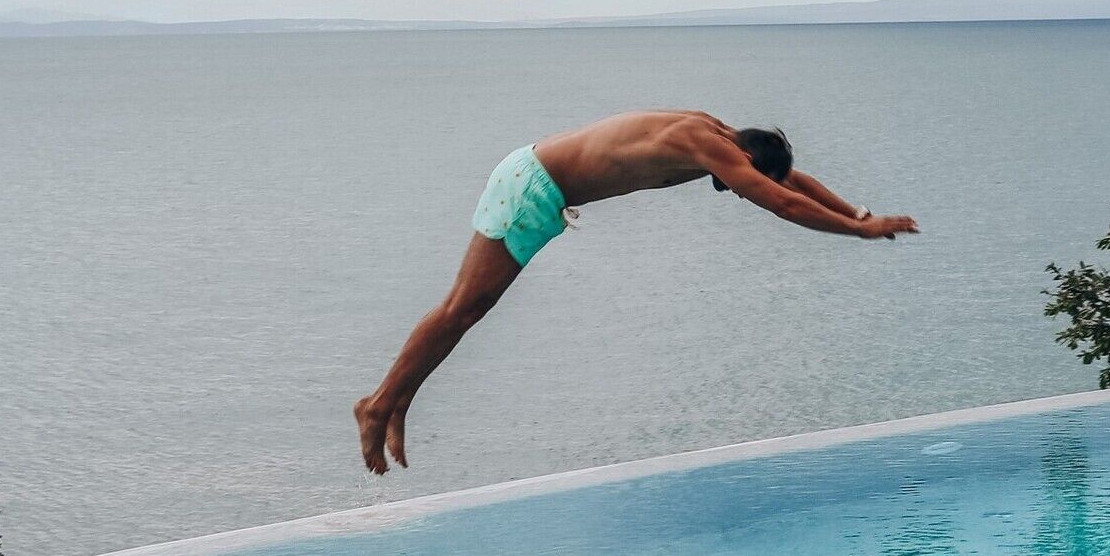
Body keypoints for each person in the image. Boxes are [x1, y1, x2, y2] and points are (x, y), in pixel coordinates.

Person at [354, 109, 917, 474]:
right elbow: (786, 202)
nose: (735, 194)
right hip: (532, 189)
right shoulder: (713, 148)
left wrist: (861, 214)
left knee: (466, 310)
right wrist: (858, 233)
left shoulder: (722, 134)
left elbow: (790, 183)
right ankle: (377, 405)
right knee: (463, 308)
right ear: (744, 160)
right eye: (741, 186)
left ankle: (399, 399)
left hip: (532, 177)